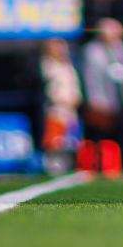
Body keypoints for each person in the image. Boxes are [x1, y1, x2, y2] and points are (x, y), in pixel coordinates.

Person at [81, 17, 123, 172]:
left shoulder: (121, 48)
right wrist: (95, 100)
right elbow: (91, 77)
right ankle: (100, 166)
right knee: (102, 134)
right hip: (104, 100)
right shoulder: (92, 50)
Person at [38, 38, 82, 174]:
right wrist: (61, 100)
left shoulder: (68, 65)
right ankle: (53, 166)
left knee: (70, 141)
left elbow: (74, 86)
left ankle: (69, 164)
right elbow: (49, 89)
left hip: (71, 110)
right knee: (55, 141)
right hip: (56, 109)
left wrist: (77, 98)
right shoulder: (47, 65)